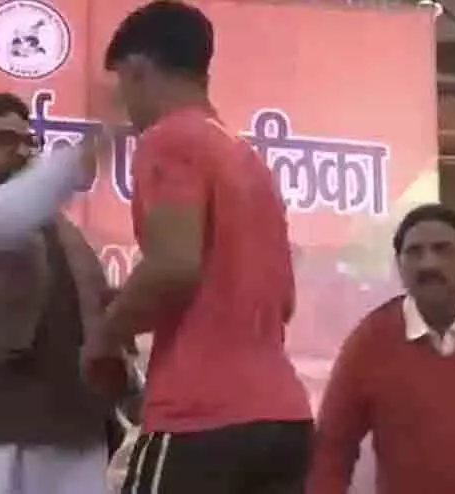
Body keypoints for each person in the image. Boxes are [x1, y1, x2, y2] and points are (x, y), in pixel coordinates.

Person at [82, 1, 312, 492]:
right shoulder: (245, 156)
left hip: (201, 420)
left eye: (122, 87)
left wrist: (106, 331)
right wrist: (131, 303)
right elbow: (275, 297)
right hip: (284, 420)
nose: (125, 107)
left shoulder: (168, 139)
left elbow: (173, 268)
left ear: (137, 70)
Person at [0, 93, 128, 494]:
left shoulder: (57, 227)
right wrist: (81, 157)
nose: (22, 151)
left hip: (74, 433)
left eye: (29, 141)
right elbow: (6, 216)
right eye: (3, 140)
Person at [308, 204, 455, 494]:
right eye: (414, 252)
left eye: (443, 250)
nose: (428, 264)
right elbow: (331, 451)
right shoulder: (370, 342)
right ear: (399, 265)